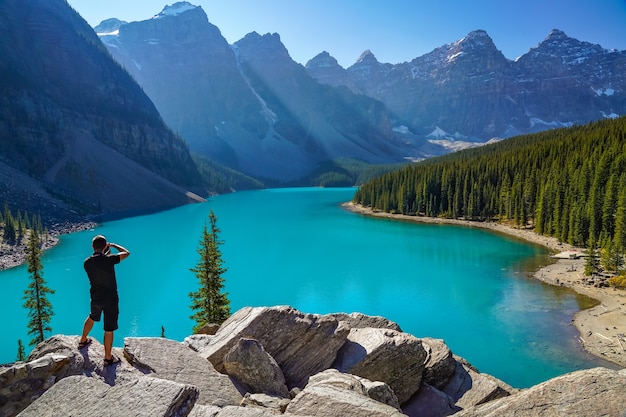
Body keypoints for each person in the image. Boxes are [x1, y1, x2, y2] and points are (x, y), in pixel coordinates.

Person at [78, 235, 130, 366]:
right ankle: (108, 358)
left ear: (92, 247)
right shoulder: (110, 260)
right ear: (105, 245)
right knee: (109, 328)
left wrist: (104, 252)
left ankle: (83, 340)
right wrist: (113, 245)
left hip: (96, 297)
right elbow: (126, 253)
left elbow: (98, 262)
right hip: (111, 299)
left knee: (92, 317)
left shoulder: (87, 263)